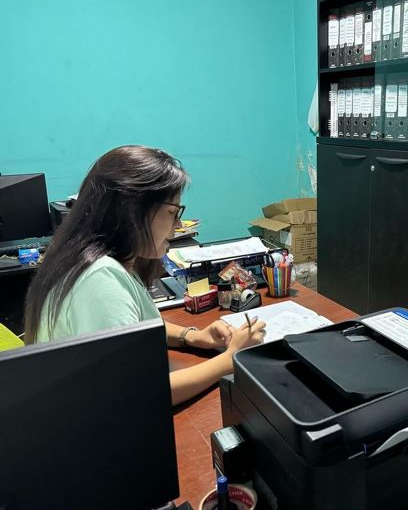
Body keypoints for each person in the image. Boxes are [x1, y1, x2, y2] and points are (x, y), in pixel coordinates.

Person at [24, 145, 266, 405]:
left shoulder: (102, 259)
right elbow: (137, 392)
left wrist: (192, 336)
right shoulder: (100, 278)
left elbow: (133, 326)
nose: (177, 225)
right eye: (173, 212)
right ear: (132, 210)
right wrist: (230, 359)